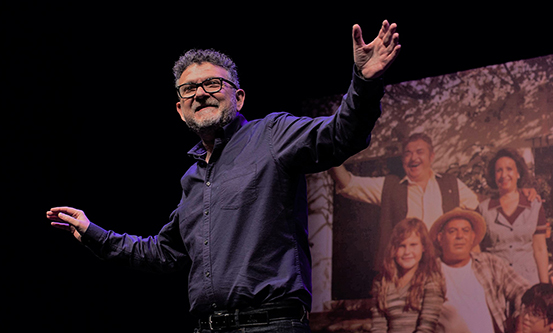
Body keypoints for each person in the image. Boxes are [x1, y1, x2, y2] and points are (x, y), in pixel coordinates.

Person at [46, 20, 402, 332]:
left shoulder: (272, 134)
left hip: (271, 325)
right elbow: (162, 254)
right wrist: (94, 234)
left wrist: (364, 82)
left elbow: (341, 135)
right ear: (179, 109)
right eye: (189, 89)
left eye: (214, 84)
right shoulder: (192, 180)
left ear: (239, 97)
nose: (201, 93)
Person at [329, 133, 480, 268]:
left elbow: (475, 215)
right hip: (404, 269)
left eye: (420, 152)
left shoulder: (450, 184)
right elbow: (349, 184)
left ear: (431, 156)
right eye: (408, 154)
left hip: (442, 267)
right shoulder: (390, 187)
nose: (414, 158)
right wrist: (330, 154)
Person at [429, 207, 530, 333]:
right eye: (452, 231)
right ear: (440, 238)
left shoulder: (490, 263)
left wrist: (520, 318)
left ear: (472, 237)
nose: (459, 236)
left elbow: (524, 290)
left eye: (465, 231)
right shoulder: (429, 272)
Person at [478, 148, 549, 284]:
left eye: (509, 169)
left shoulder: (534, 205)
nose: (504, 175)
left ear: (518, 173)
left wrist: (545, 287)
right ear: (494, 176)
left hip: (528, 283)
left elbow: (540, 249)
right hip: (496, 284)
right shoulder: (483, 209)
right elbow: (477, 250)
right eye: (499, 170)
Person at [371, 218, 445, 333]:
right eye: (401, 246)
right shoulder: (381, 282)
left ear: (423, 247)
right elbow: (378, 327)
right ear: (393, 249)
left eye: (413, 244)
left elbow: (427, 327)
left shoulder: (431, 279)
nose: (407, 252)